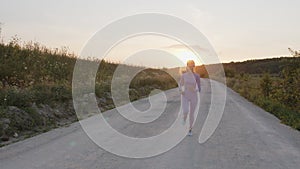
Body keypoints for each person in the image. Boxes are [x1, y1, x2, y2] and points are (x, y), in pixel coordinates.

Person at [179, 60, 201, 136]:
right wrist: (181, 91)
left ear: (194, 66)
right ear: (187, 66)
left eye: (192, 65)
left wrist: (195, 89)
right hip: (185, 95)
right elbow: (180, 84)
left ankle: (190, 130)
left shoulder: (197, 76)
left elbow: (199, 88)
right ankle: (184, 118)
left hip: (193, 96)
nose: (191, 66)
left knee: (191, 113)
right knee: (185, 111)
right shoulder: (183, 75)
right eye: (190, 65)